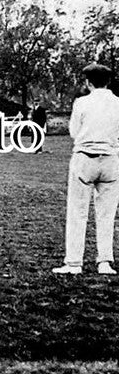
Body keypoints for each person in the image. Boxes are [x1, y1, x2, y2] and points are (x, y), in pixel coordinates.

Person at [53, 63, 119, 275]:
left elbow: (74, 131)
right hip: (110, 159)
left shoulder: (81, 103)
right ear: (108, 82)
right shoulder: (118, 103)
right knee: (107, 215)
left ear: (88, 82)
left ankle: (74, 263)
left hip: (84, 158)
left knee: (77, 211)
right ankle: (105, 262)